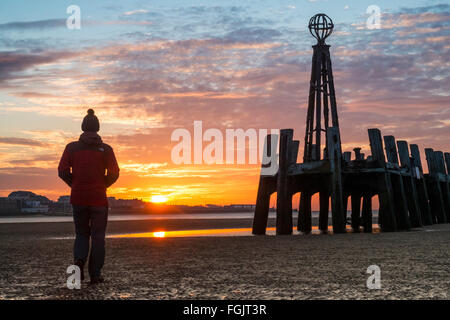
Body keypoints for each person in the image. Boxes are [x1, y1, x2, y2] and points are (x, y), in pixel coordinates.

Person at [58, 108, 119, 285]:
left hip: (79, 198)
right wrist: (103, 185)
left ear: (83, 126)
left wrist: (75, 185)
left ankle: (78, 262)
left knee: (81, 234)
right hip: (99, 199)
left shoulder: (72, 148)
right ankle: (95, 274)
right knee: (98, 237)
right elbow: (115, 172)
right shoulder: (106, 149)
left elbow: (62, 171)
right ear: (98, 128)